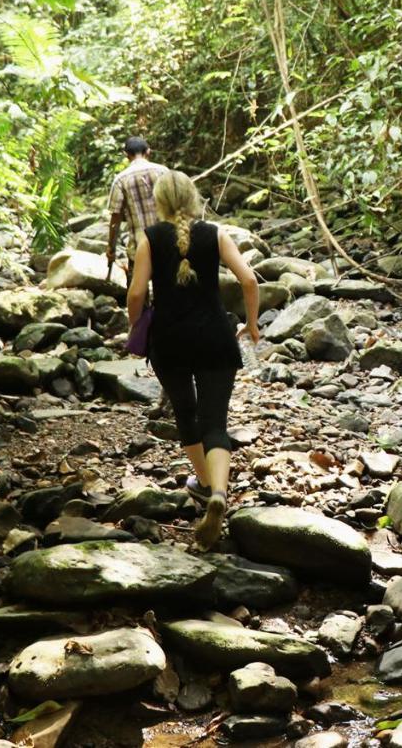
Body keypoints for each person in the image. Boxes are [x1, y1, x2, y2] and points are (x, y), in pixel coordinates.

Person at [126, 170, 260, 549]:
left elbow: (137, 294)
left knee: (185, 413)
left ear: (161, 203)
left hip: (169, 342)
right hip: (215, 338)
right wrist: (251, 324)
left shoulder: (149, 240)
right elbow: (249, 281)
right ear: (193, 197)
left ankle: (202, 485)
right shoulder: (215, 233)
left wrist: (136, 326)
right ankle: (219, 492)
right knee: (215, 420)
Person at [107, 136, 168, 275]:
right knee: (168, 291)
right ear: (148, 152)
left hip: (139, 246)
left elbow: (115, 219)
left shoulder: (120, 180)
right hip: (167, 243)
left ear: (126, 155)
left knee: (137, 292)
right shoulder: (163, 171)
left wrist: (111, 248)